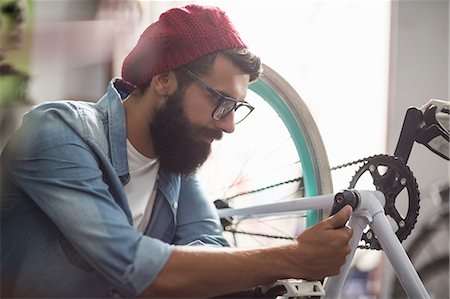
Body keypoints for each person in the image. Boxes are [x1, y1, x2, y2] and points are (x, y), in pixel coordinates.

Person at [0, 4, 353, 298]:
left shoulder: (174, 162)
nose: (229, 124)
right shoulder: (58, 133)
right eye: (220, 100)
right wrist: (291, 257)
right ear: (164, 80)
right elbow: (136, 268)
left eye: (237, 108)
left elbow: (211, 249)